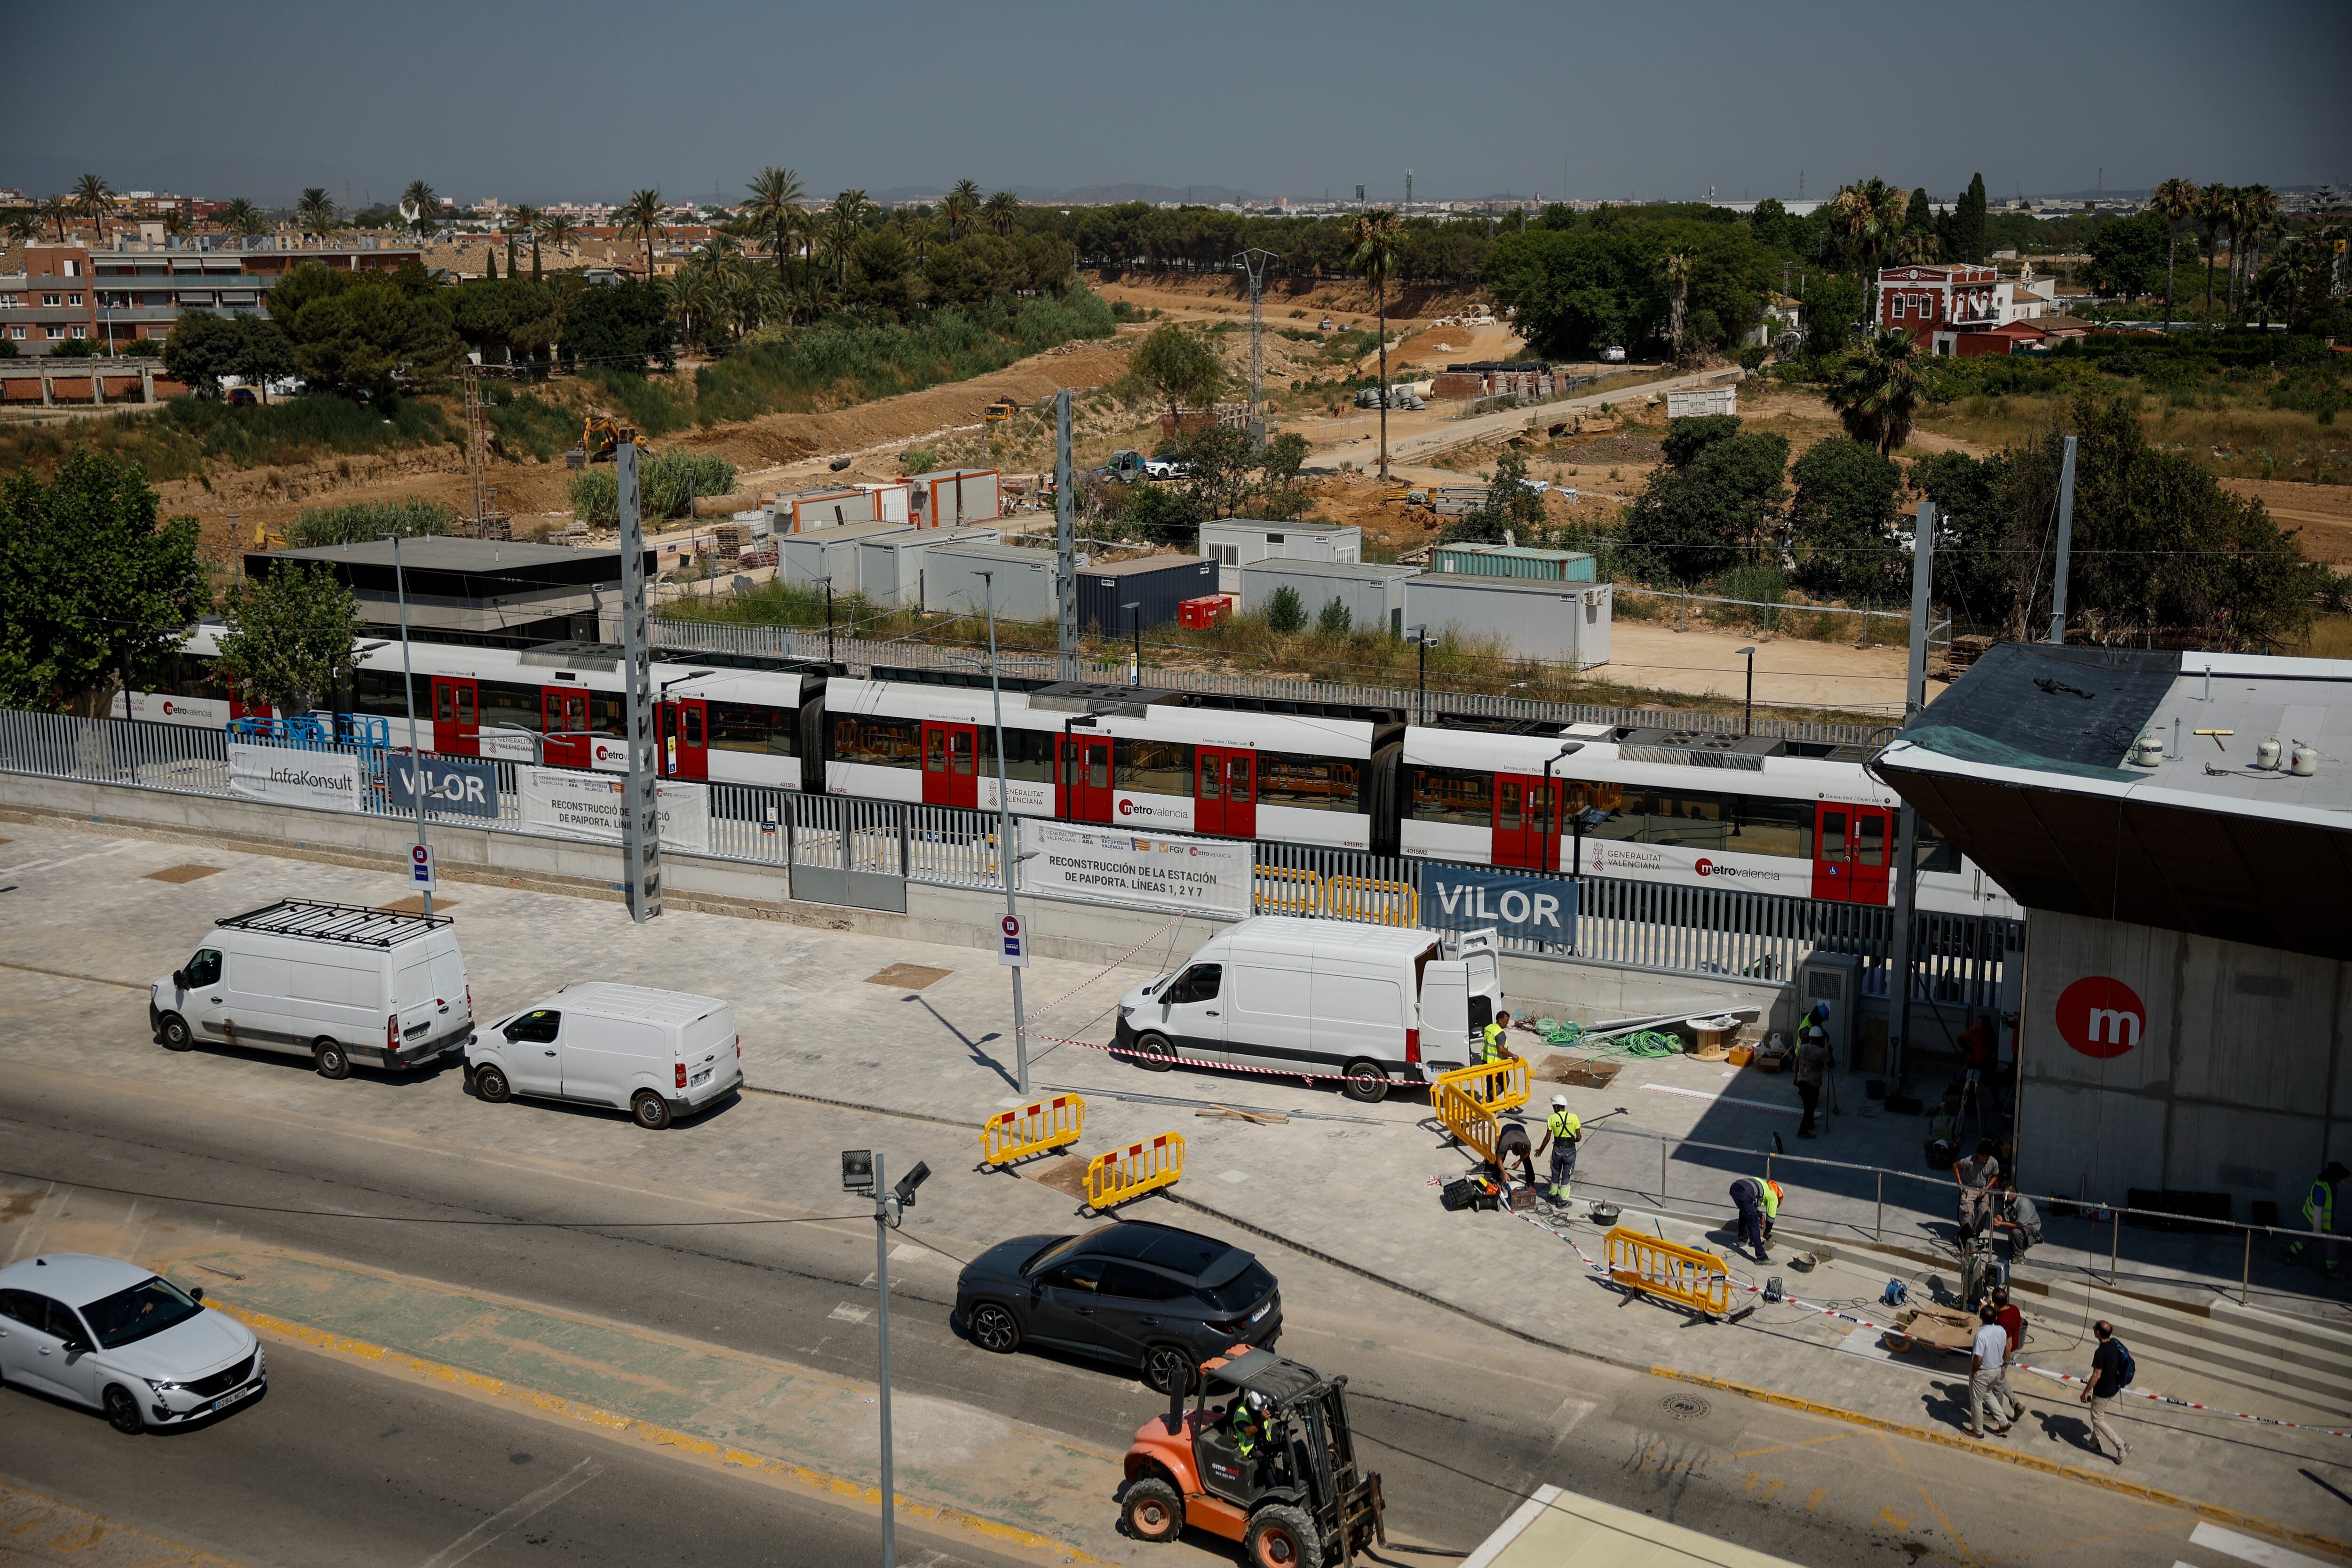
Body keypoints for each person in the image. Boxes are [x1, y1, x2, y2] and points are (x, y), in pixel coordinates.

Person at [2285, 1162, 2349, 1275]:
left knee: (2308, 1239)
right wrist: (2317, 1229)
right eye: (2340, 1176)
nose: (2341, 1179)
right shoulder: (2322, 1187)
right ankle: (2332, 1270)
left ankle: (2289, 1252)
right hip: (2320, 1222)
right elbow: (2318, 1209)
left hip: (2322, 1221)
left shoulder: (2329, 1183)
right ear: (2335, 1176)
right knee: (2333, 1243)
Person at [2081, 1320, 2131, 1464]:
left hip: (2103, 1391)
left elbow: (2096, 1375)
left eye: (2094, 1328)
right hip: (2114, 1386)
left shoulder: (2101, 1352)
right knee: (2098, 1414)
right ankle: (2095, 1443)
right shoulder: (2115, 1343)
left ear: (2097, 1333)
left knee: (2097, 1419)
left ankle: (2121, 1446)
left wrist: (2085, 1392)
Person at [1967, 1302, 2014, 1439]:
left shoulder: (1981, 1335)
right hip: (1997, 1371)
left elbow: (1979, 1357)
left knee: (1976, 1401)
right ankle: (2004, 1423)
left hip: (1983, 1372)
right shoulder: (2001, 1331)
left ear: (1981, 1317)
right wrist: (2004, 1364)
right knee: (1988, 1395)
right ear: (1995, 1318)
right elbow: (2007, 1347)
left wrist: (1975, 1371)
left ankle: (1977, 1430)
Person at [1990, 1287, 2028, 1426]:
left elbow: (2008, 1344)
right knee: (2001, 1379)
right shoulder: (2014, 1309)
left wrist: (2002, 1363)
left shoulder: (2001, 1320)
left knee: (1997, 1384)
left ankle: (1997, 1414)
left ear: (1994, 1302)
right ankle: (2016, 1404)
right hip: (2012, 1351)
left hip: (2004, 1354)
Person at [1535, 1095, 1581, 1203]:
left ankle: (1552, 1196)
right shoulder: (1574, 1117)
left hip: (1557, 1151)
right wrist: (1571, 1141)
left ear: (1556, 1107)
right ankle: (1563, 1201)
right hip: (1570, 1151)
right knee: (1566, 1175)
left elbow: (1547, 1138)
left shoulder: (1552, 1119)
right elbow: (1579, 1138)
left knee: (1555, 1172)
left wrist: (1540, 1150)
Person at [1954, 1139, 2000, 1240]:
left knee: (1984, 1212)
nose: (1984, 1161)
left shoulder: (1993, 1163)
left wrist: (1986, 1190)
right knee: (1969, 1213)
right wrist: (1960, 1184)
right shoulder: (1969, 1161)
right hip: (1969, 1187)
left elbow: (1995, 1176)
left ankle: (1975, 1235)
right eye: (1982, 1158)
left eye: (1986, 1159)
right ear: (1978, 1155)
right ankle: (1965, 1237)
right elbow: (1956, 1166)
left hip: (1983, 1189)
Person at [1729, 1176, 1782, 1262]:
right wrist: (1767, 1232)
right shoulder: (1774, 1198)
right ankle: (1762, 1257)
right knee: (1753, 1224)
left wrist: (1761, 1216)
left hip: (1735, 1187)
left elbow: (1751, 1203)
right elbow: (1771, 1219)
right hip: (1743, 1193)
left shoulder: (1763, 1185)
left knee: (1744, 1211)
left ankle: (1743, 1239)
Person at [1793, 1025, 1830, 1139]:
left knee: (1809, 1105)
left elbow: (1797, 1063)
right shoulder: (1821, 1053)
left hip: (1802, 1081)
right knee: (1809, 1107)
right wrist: (1831, 1053)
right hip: (1813, 1084)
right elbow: (1831, 1065)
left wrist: (1795, 1078)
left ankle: (1810, 1123)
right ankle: (1803, 1130)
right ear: (1820, 1039)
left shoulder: (1803, 1048)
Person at [1493, 1119, 1536, 1190]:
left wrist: (1519, 1161)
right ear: (1511, 1147)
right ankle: (1495, 1177)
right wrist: (1504, 1173)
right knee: (1501, 1156)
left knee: (1527, 1160)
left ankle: (1531, 1181)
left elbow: (1527, 1153)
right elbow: (1499, 1159)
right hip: (1507, 1129)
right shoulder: (1505, 1144)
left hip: (1520, 1129)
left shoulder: (1527, 1143)